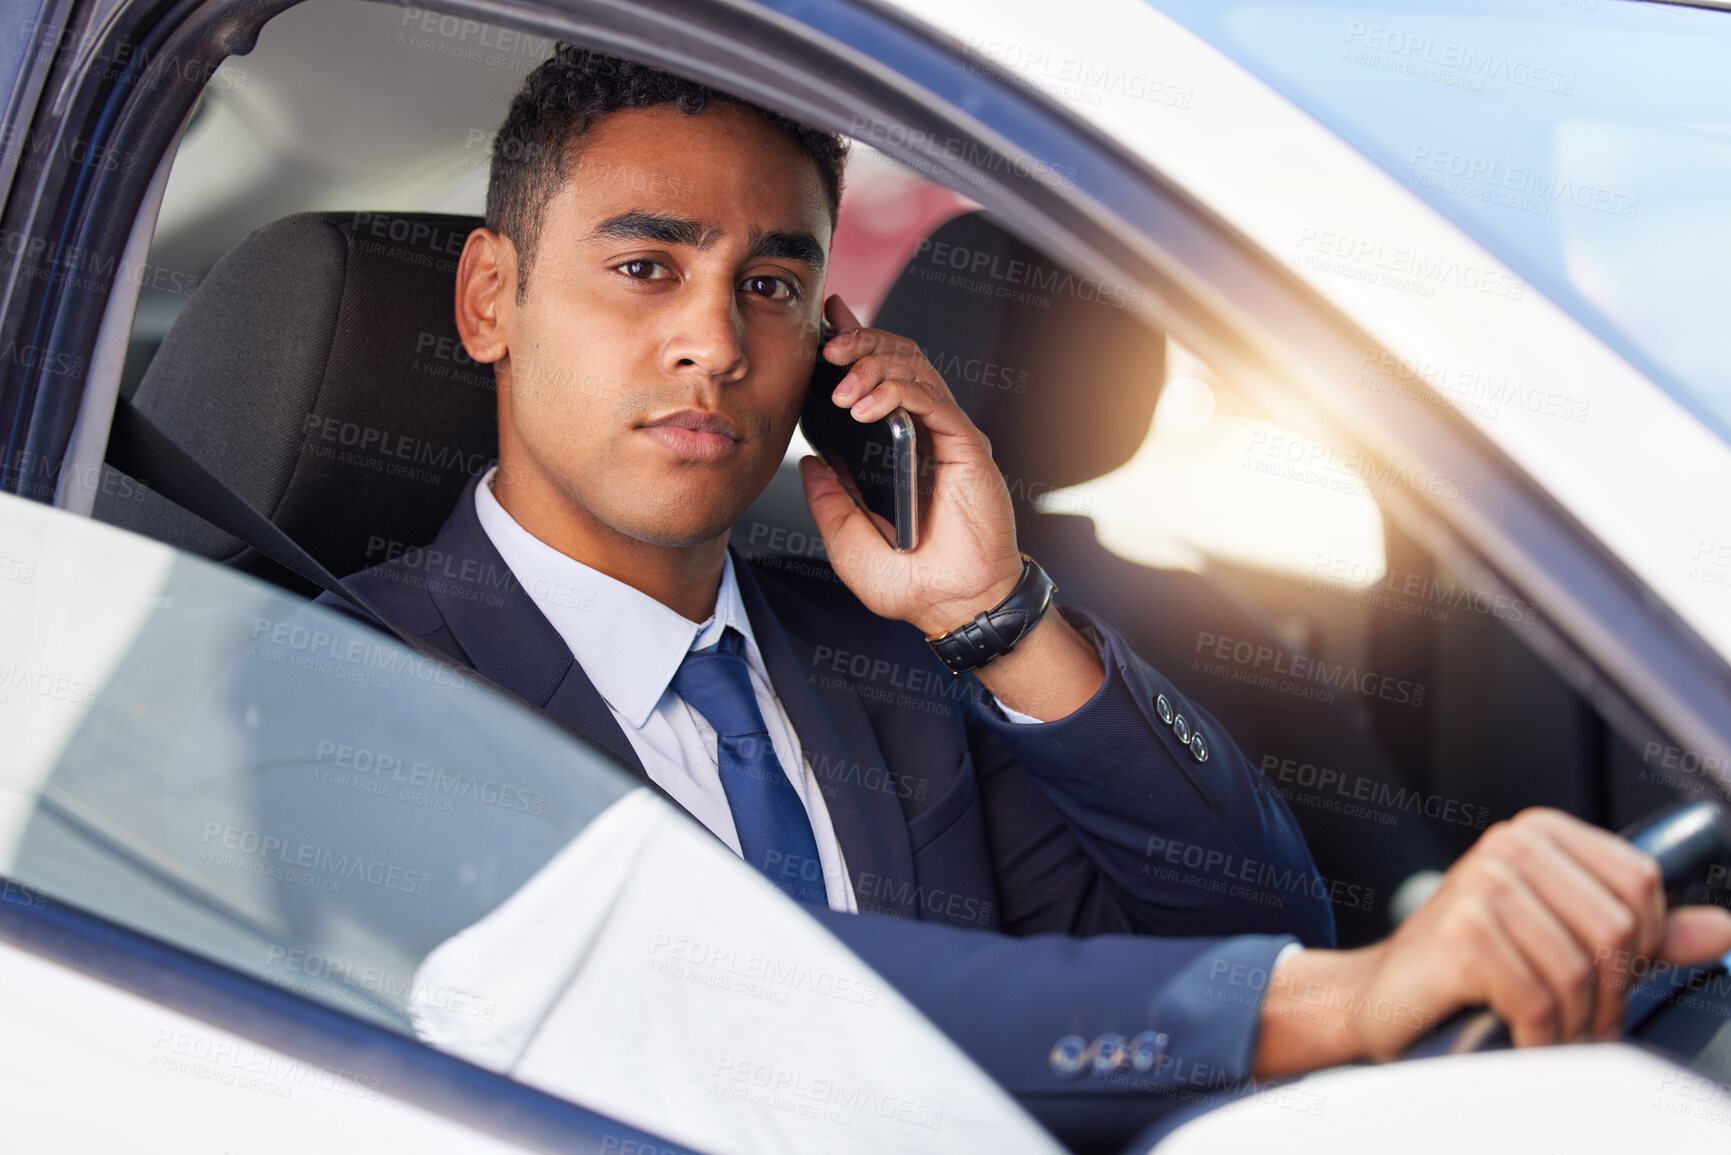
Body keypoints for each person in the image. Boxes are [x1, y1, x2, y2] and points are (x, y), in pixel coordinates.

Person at [318, 45, 1731, 1139]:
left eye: (769, 287)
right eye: (644, 267)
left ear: (829, 340)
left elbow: (1248, 918)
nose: (711, 340)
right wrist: (1344, 1004)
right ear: (489, 298)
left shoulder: (881, 663)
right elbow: (721, 1002)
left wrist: (992, 612)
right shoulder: (340, 678)